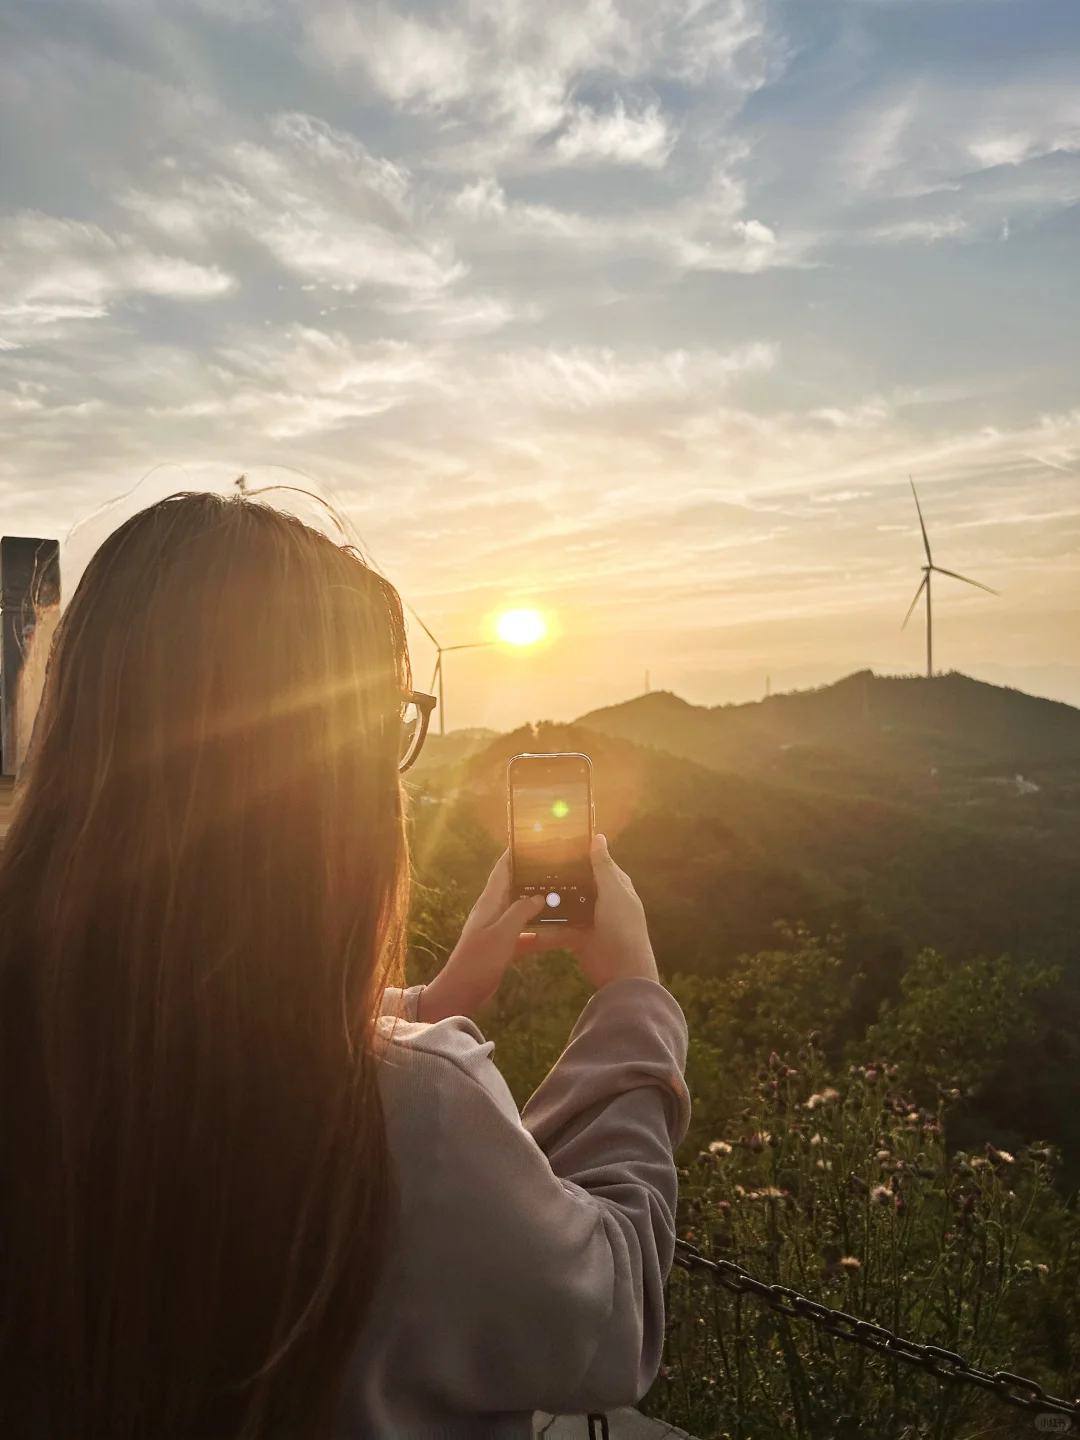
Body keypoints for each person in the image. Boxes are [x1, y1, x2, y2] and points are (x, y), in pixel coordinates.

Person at [0, 491, 690, 1439]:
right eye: (387, 720)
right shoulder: (412, 1117)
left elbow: (183, 1016)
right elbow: (614, 1318)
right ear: (321, 776)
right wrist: (634, 1001)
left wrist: (433, 998)